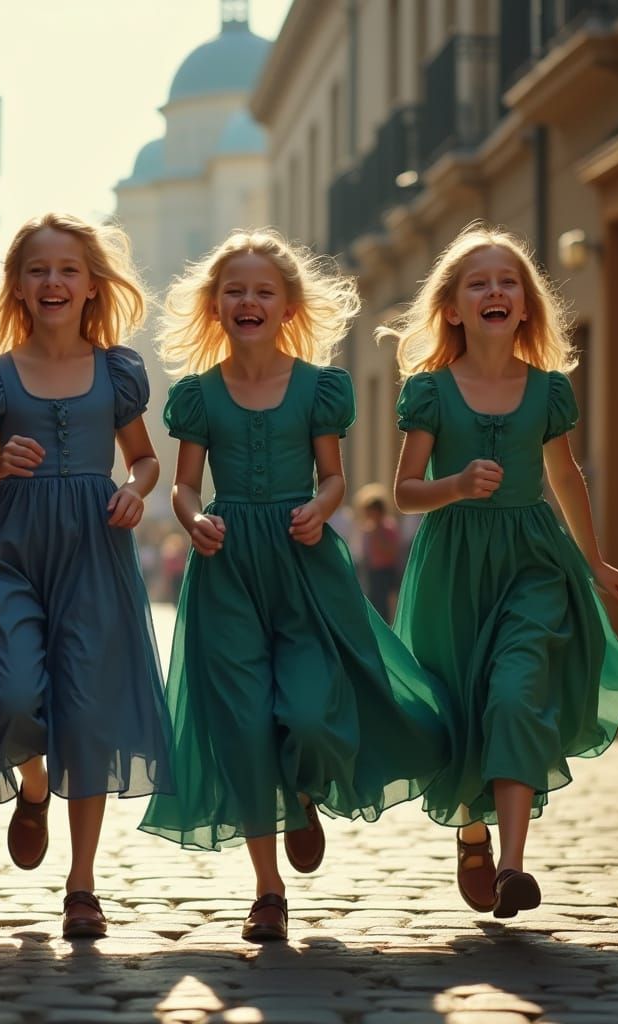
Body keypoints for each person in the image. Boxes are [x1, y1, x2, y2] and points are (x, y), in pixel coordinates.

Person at [137, 229, 450, 943]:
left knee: (309, 713)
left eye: (263, 291)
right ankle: (268, 890)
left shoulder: (319, 389)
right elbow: (186, 486)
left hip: (303, 564)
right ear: (216, 306)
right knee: (244, 728)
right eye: (235, 290)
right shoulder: (198, 397)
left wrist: (323, 506)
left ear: (288, 307)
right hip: (227, 571)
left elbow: (333, 474)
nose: (249, 300)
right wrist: (192, 521)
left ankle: (303, 791)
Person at [379, 223, 618, 920]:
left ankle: (512, 867)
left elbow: (566, 478)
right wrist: (457, 485)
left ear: (526, 305)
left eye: (508, 282)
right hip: (452, 567)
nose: (495, 291)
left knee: (515, 695)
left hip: (534, 561)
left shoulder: (549, 391)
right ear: (452, 308)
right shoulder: (431, 392)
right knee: (461, 706)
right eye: (478, 283)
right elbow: (406, 489)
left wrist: (593, 564)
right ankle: (471, 831)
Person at [0, 212, 172, 940]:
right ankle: (33, 787)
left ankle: (83, 884)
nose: (53, 282)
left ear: (90, 285)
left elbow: (143, 458)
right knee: (11, 694)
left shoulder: (117, 370)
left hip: (95, 551)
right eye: (38, 270)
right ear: (17, 285)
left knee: (88, 713)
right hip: (14, 547)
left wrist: (137, 489)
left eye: (67, 270)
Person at [354, 483, 402, 621]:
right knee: (374, 601)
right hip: (373, 571)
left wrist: (377, 534)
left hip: (386, 571)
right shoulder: (367, 530)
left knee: (385, 605)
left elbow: (392, 551)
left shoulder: (388, 527)